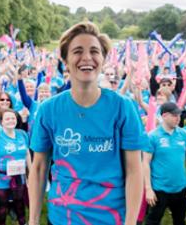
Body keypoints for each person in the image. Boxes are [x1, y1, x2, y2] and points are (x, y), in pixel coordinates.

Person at [28, 21, 146, 225]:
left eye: (94, 51)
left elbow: (134, 170)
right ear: (65, 60)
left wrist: (130, 222)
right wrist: (33, 220)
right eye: (77, 51)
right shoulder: (48, 110)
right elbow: (39, 168)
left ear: (103, 59)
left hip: (111, 218)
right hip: (62, 217)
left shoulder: (123, 107)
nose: (87, 58)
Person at [142, 102, 186, 225]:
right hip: (159, 190)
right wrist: (148, 189)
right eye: (175, 115)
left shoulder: (184, 134)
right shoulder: (152, 136)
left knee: (179, 220)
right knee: (153, 221)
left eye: (180, 115)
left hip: (181, 188)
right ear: (165, 115)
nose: (179, 118)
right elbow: (145, 163)